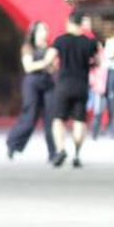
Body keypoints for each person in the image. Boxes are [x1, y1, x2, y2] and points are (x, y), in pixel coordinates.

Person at [47, 12, 99, 168]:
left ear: (69, 23)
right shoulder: (89, 43)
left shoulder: (61, 41)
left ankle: (61, 149)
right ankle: (76, 154)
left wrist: (50, 67)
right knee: (79, 121)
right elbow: (97, 61)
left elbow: (50, 58)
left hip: (64, 85)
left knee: (58, 120)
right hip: (82, 85)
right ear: (81, 24)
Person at [6, 21, 56, 160]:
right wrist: (46, 62)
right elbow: (28, 67)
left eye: (45, 30)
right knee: (30, 116)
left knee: (50, 118)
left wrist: (50, 64)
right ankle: (13, 144)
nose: (44, 33)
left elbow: (52, 69)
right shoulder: (28, 47)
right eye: (41, 30)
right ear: (34, 33)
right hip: (32, 83)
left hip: (47, 82)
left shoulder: (50, 49)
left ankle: (53, 152)